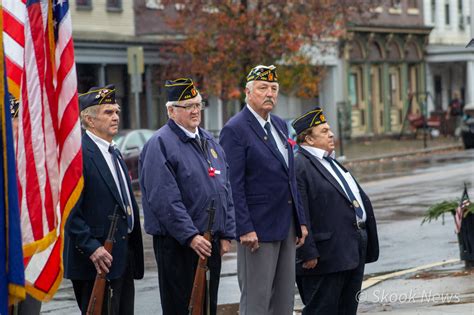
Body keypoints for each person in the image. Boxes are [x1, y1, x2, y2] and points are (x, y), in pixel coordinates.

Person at [139, 78, 235, 315]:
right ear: (171, 111)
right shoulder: (160, 144)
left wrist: (226, 233)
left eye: (198, 105)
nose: (195, 111)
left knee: (207, 307)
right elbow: (164, 199)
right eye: (188, 106)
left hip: (209, 240)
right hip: (179, 245)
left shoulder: (209, 141)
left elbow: (225, 189)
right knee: (183, 308)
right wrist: (190, 236)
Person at [219, 65, 308, 315]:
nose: (269, 93)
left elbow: (290, 178)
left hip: (286, 225)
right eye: (263, 88)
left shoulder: (279, 125)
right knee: (256, 302)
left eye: (274, 88)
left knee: (283, 301)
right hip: (257, 229)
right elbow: (232, 184)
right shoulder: (235, 129)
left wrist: (300, 221)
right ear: (248, 92)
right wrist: (244, 227)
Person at [64, 84, 144, 314]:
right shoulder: (78, 154)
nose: (116, 117)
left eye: (117, 111)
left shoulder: (113, 151)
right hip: (95, 259)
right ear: (89, 120)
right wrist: (91, 247)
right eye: (108, 112)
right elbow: (69, 209)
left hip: (121, 257)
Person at [292, 107, 379, 315]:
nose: (331, 134)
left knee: (347, 310)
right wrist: (307, 252)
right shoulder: (299, 165)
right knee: (322, 310)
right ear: (308, 139)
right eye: (323, 131)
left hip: (351, 248)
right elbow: (299, 211)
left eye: (330, 129)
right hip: (324, 257)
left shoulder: (331, 162)